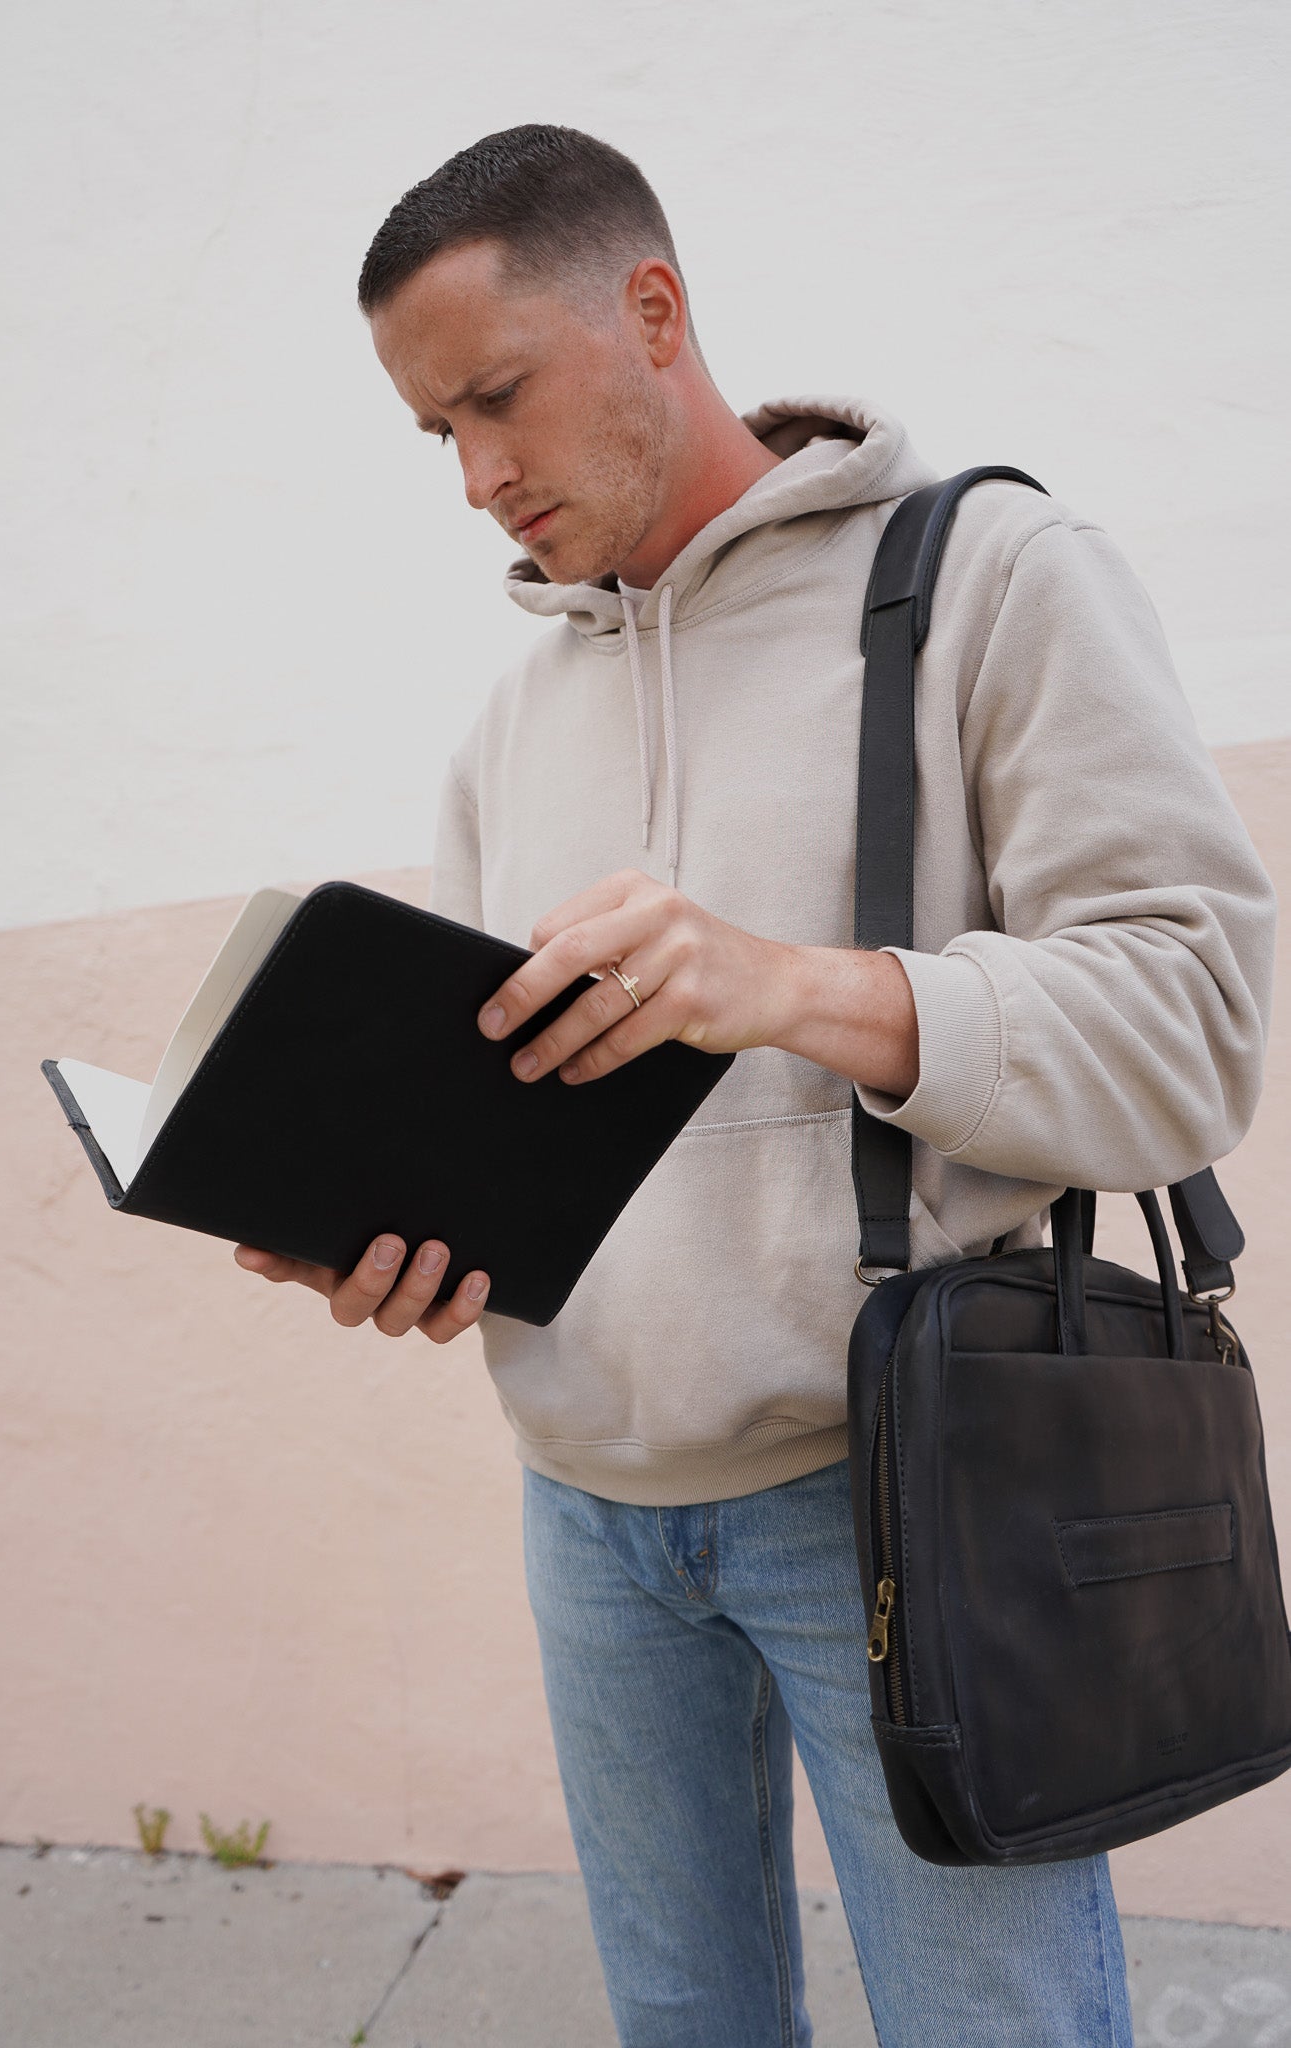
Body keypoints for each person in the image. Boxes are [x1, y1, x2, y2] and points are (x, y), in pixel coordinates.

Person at [232, 124, 1276, 2047]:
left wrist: (799, 987)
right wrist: (390, 1238)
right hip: (588, 1511)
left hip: (896, 1493)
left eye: (496, 401)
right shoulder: (515, 711)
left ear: (652, 311)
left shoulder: (989, 578)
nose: (475, 481)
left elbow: (1195, 1023)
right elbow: (512, 1122)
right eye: (431, 437)